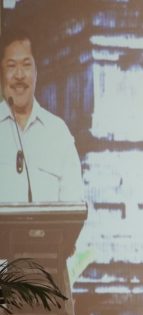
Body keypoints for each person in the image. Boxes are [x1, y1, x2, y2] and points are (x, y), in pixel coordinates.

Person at [0, 28, 83, 202]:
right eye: (11, 66)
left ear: (36, 72)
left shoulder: (58, 133)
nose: (19, 75)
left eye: (26, 65)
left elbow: (73, 211)